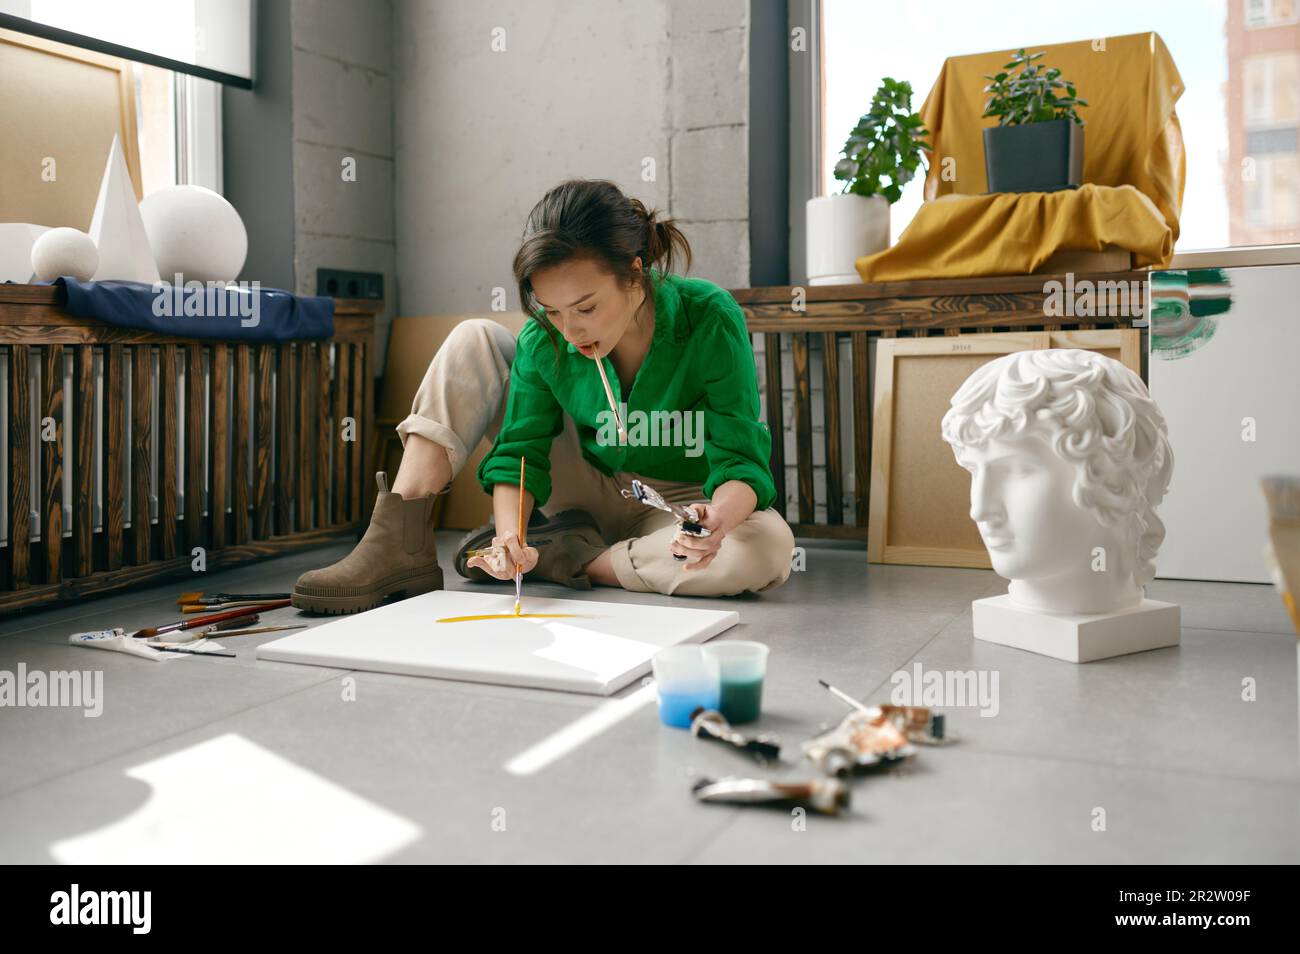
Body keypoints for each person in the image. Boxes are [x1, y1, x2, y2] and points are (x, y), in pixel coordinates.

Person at [292, 178, 795, 615]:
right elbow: (519, 454)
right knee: (476, 337)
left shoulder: (708, 316)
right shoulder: (544, 338)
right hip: (581, 484)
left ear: (635, 274)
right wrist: (510, 535)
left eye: (586, 307)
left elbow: (741, 462)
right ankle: (397, 547)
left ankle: (569, 557)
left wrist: (716, 521)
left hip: (677, 501)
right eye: (552, 311)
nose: (570, 330)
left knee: (764, 549)